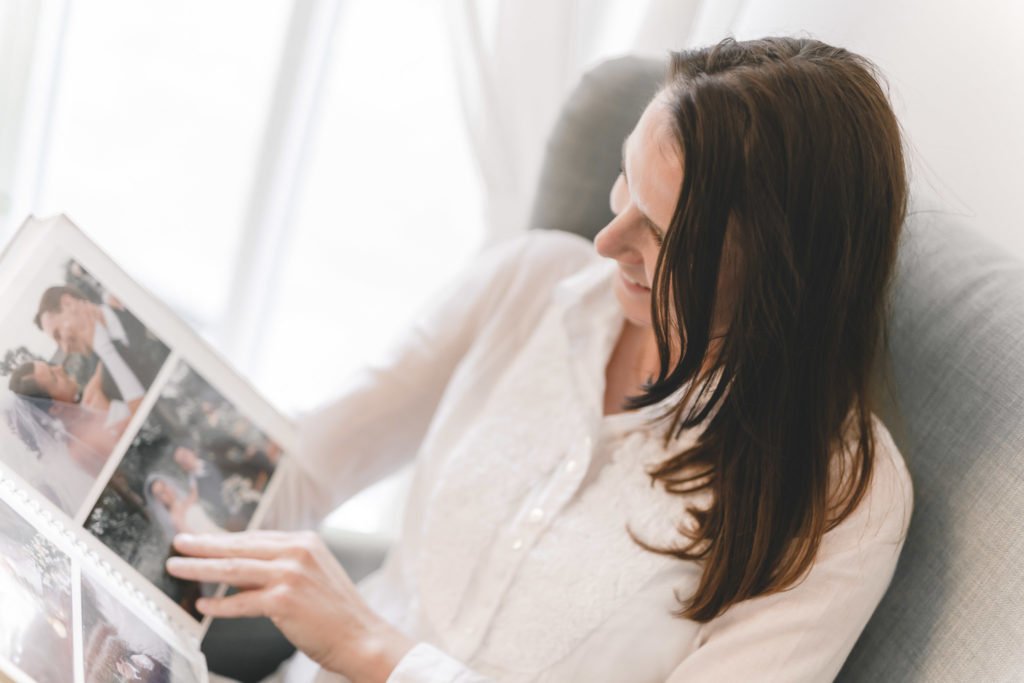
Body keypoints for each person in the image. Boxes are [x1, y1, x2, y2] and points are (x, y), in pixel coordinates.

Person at [167, 37, 914, 682]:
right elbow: (308, 461)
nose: (607, 242)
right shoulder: (532, 285)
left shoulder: (842, 497)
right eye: (627, 181)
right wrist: (127, 513)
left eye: (662, 234)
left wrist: (379, 653)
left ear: (781, 280)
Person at [33, 286, 170, 400]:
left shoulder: (130, 301)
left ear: (68, 303)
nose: (65, 349)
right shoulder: (104, 383)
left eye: (58, 335)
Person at [144, 475, 227, 537]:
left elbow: (195, 492)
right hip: (210, 541)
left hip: (219, 532)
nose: (166, 492)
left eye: (164, 486)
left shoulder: (186, 500)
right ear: (159, 500)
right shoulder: (175, 519)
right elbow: (194, 537)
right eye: (161, 493)